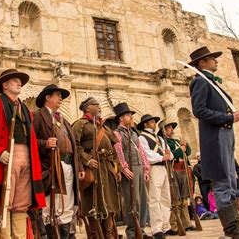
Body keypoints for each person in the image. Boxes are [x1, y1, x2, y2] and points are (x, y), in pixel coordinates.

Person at [188, 46, 239, 238]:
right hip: (215, 137)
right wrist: (228, 118)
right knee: (222, 182)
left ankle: (236, 227)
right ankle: (232, 230)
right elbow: (199, 110)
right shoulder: (200, 82)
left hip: (225, 133)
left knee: (230, 180)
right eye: (212, 58)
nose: (216, 61)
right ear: (202, 63)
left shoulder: (211, 82)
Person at [0, 69, 46, 238]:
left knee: (21, 204)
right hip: (7, 156)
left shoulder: (25, 109)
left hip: (27, 156)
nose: (19, 83)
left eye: (20, 81)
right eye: (15, 81)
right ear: (5, 85)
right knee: (4, 202)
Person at [33, 84, 84, 238]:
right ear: (47, 98)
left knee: (67, 203)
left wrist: (79, 166)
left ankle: (66, 235)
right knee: (50, 204)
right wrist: (45, 143)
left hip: (68, 165)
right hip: (51, 166)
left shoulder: (64, 120)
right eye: (57, 94)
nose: (61, 98)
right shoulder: (38, 116)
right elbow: (31, 141)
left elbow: (74, 146)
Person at [72, 97, 121, 238]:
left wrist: (115, 167)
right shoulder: (80, 124)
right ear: (88, 108)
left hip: (107, 169)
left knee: (109, 205)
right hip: (93, 170)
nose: (99, 107)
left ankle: (109, 235)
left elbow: (114, 149)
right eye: (96, 104)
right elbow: (75, 145)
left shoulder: (104, 127)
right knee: (94, 205)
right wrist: (87, 160)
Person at [112, 103, 151, 239]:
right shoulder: (117, 133)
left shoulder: (134, 132)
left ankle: (142, 230)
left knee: (142, 201)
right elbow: (118, 152)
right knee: (132, 201)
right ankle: (133, 232)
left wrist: (146, 169)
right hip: (130, 169)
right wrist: (124, 168)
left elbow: (141, 151)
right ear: (121, 118)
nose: (131, 117)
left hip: (139, 168)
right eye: (128, 115)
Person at [138, 114, 175, 238]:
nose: (154, 124)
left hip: (164, 168)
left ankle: (166, 226)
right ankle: (156, 229)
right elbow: (146, 154)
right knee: (154, 199)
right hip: (154, 168)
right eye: (152, 122)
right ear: (145, 124)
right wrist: (161, 157)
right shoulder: (142, 137)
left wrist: (168, 155)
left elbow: (170, 153)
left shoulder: (160, 138)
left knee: (166, 198)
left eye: (154, 122)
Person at [164, 121, 195, 233]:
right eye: (169, 128)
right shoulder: (165, 142)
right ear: (164, 131)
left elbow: (188, 152)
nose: (171, 130)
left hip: (183, 170)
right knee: (176, 199)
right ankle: (175, 225)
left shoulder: (177, 141)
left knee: (184, 199)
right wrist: (180, 149)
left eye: (172, 128)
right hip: (174, 171)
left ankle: (187, 223)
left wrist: (186, 145)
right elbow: (172, 155)